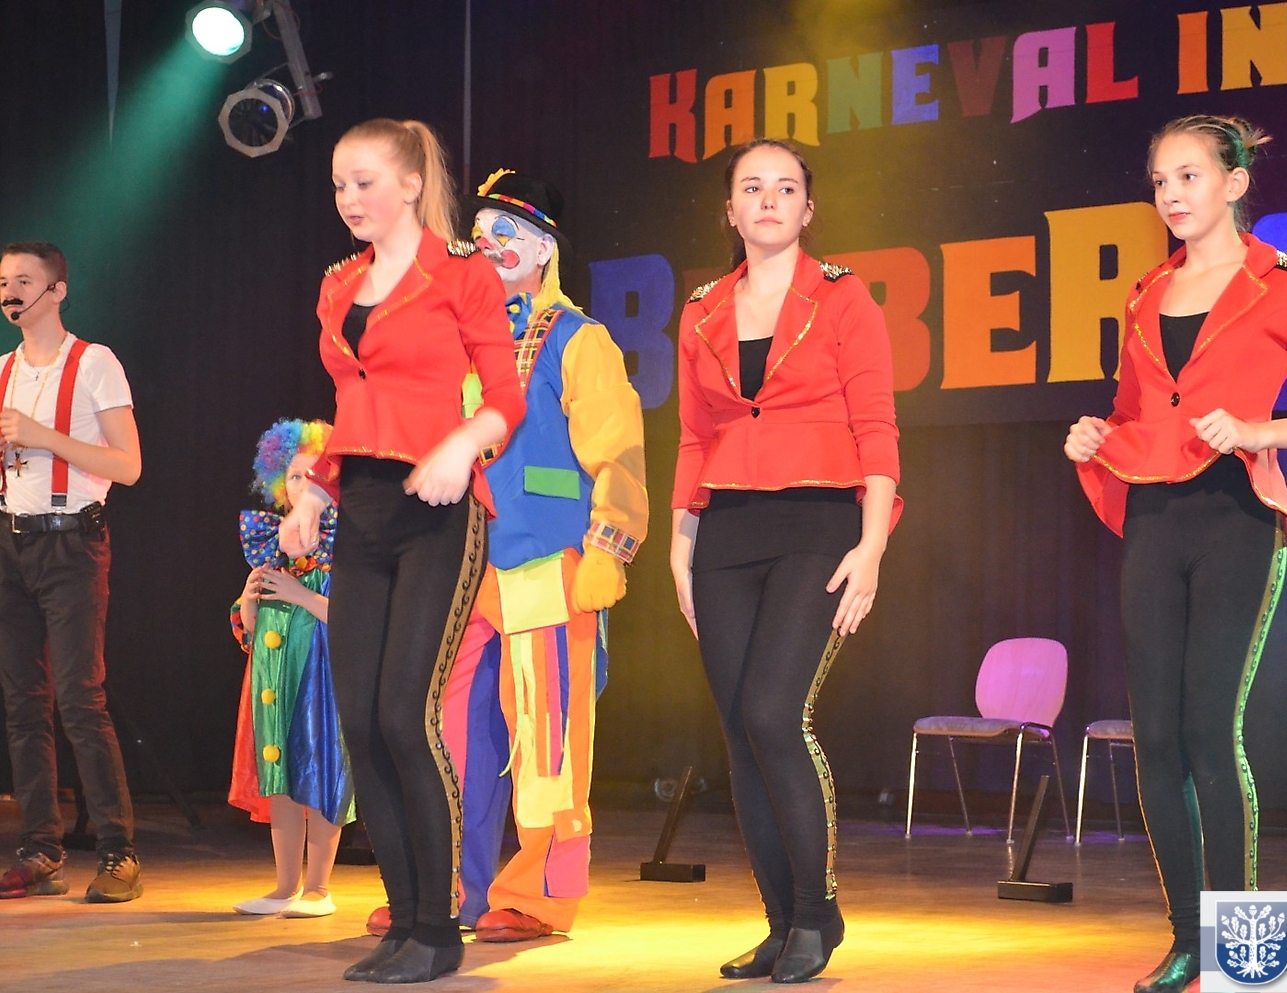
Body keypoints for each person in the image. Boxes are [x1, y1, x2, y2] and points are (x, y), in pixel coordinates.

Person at [1065, 117, 1287, 993]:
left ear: (1236, 182)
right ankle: (1187, 940)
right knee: (1156, 736)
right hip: (1153, 519)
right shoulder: (1144, 293)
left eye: (1189, 176)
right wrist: (1097, 435)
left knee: (1209, 730)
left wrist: (1259, 431)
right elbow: (1136, 414)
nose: (1171, 194)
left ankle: (1239, 945)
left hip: (1236, 518)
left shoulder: (1285, 283)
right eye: (1159, 180)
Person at [364, 169, 648, 942]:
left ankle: (538, 896)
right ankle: (445, 888)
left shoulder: (579, 338)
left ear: (545, 248)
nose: (490, 245)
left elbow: (618, 451)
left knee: (547, 733)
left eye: (508, 232)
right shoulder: (454, 340)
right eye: (481, 232)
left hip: (545, 558)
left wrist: (609, 545)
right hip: (456, 564)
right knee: (449, 730)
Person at [277, 119, 526, 984]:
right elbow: (352, 407)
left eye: (365, 181)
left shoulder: (462, 272)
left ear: (412, 182)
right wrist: (313, 491)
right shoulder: (338, 284)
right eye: (339, 185)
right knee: (359, 721)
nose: (349, 199)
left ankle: (439, 926)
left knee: (404, 714)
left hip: (439, 509)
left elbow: (505, 397)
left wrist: (462, 445)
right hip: (365, 508)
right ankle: (403, 919)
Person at [671, 138, 900, 984]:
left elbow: (877, 427)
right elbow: (693, 435)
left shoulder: (843, 298)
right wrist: (680, 541)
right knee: (739, 729)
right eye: (751, 187)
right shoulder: (701, 309)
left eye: (785, 188)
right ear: (729, 209)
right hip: (726, 529)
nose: (768, 200)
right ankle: (778, 924)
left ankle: (816, 910)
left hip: (818, 522)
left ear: (808, 208)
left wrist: (872, 545)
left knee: (774, 713)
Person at [0, 241, 143, 903]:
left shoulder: (95, 363)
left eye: (23, 280)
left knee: (81, 700)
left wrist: (43, 436)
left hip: (71, 545)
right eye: (4, 280)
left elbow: (129, 465)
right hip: (11, 542)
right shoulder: (3, 369)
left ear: (57, 290)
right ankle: (40, 848)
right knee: (22, 703)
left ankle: (118, 852)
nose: (10, 291)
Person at [229, 418, 354, 918]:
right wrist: (248, 601)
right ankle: (284, 887)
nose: (303, 486)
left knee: (320, 774)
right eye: (295, 476)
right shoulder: (273, 552)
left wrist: (301, 595)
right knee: (277, 776)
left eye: (313, 476)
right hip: (271, 685)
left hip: (321, 682)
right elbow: (248, 631)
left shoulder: (341, 551)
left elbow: (357, 620)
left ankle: (319, 889)